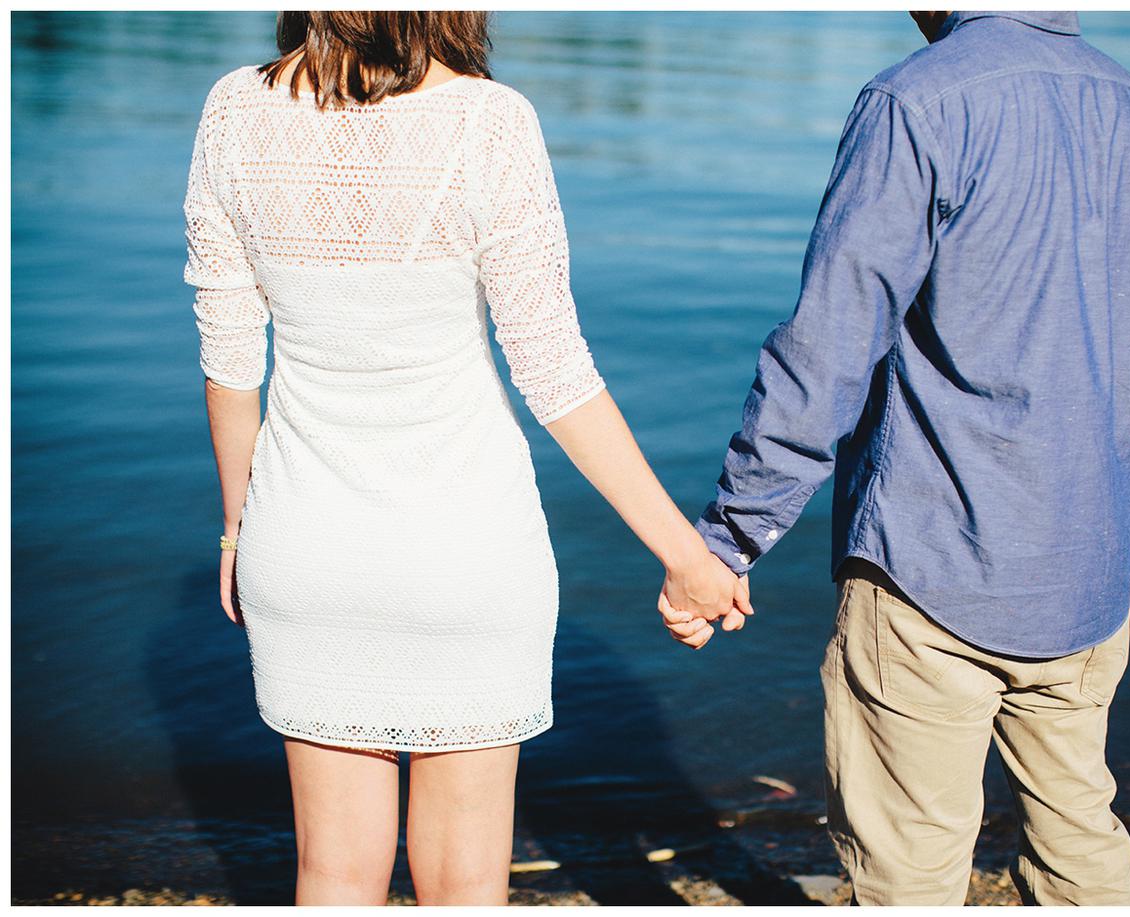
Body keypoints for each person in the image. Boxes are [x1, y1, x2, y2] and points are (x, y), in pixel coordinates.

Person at [186, 11, 748, 906]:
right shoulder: (489, 122)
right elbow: (554, 372)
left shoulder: (233, 110)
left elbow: (228, 363)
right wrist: (687, 557)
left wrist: (235, 529)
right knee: (464, 885)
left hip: (304, 545)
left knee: (333, 871)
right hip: (466, 552)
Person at [668, 10, 1130, 906]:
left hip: (931, 571)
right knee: (1080, 840)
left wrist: (729, 538)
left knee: (908, 875)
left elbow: (827, 350)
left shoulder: (916, 103)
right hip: (1086, 572)